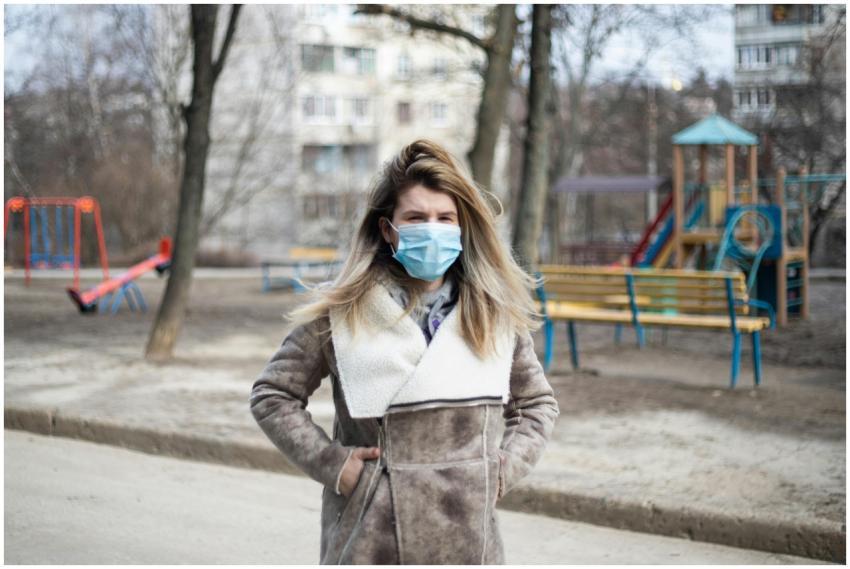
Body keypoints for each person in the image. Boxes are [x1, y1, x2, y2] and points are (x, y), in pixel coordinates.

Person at [249, 139, 560, 565]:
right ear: (388, 229)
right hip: (370, 539)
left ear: (462, 226)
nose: (432, 229)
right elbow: (273, 395)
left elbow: (537, 404)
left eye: (444, 218)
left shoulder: (492, 313)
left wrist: (501, 470)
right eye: (416, 217)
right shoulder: (343, 311)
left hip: (467, 539)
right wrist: (336, 465)